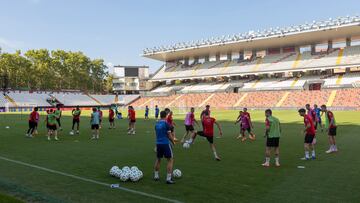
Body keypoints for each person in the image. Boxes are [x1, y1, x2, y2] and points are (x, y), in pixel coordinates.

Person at [153, 110, 176, 184]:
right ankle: (168, 179)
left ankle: (156, 176)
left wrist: (156, 145)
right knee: (170, 160)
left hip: (158, 144)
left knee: (158, 159)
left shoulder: (156, 124)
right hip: (165, 144)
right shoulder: (166, 124)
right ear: (166, 116)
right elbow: (169, 136)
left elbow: (157, 136)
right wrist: (173, 142)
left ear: (160, 115)